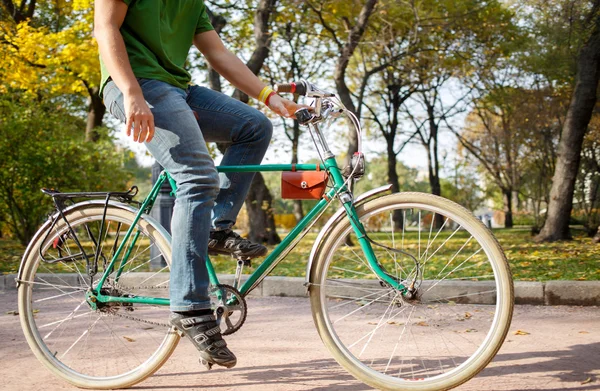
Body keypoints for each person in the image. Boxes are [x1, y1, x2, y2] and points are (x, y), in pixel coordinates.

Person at [94, 0, 302, 369]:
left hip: (178, 88)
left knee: (255, 127)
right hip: (134, 83)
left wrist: (270, 98)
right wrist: (130, 92)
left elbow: (217, 52)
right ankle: (190, 307)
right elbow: (105, 28)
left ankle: (214, 227)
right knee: (197, 175)